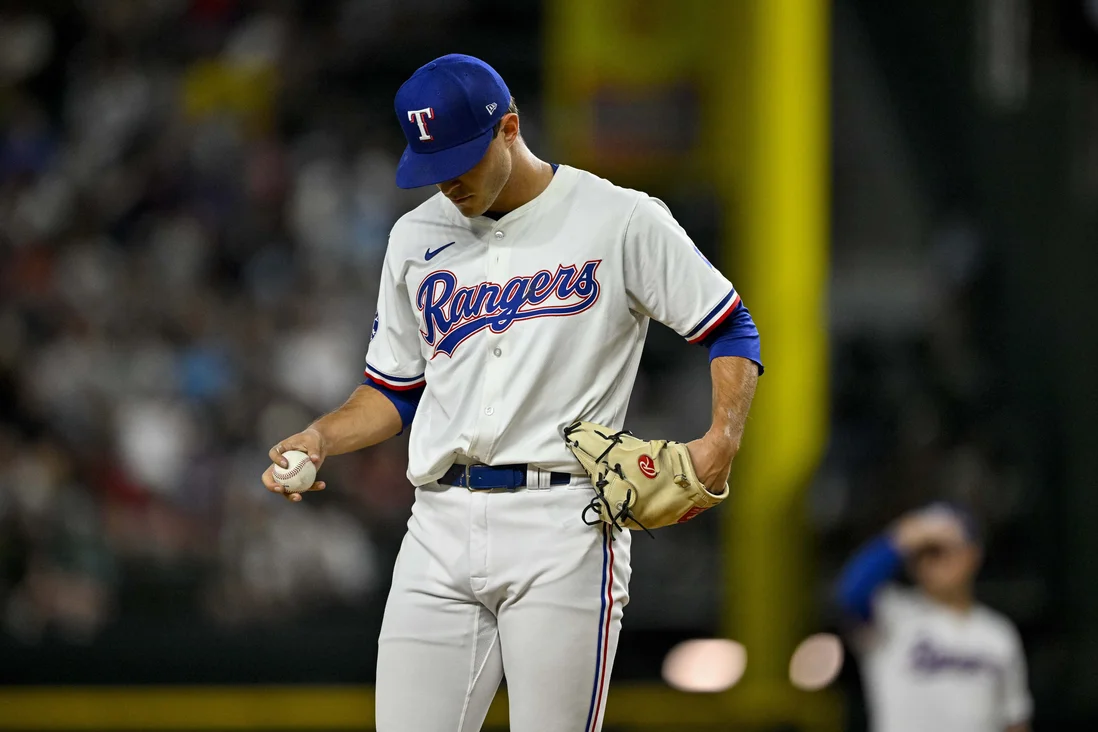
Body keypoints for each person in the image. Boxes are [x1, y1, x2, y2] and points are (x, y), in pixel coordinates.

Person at [261, 54, 762, 732]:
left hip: (564, 523)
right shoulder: (414, 236)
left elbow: (729, 325)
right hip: (437, 524)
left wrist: (720, 440)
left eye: (460, 160)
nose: (447, 183)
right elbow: (392, 391)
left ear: (509, 129)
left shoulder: (618, 218)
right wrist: (320, 438)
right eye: (431, 166)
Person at [835, 504, 1033, 732]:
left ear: (972, 554)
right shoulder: (891, 612)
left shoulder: (997, 633)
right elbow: (850, 594)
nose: (932, 562)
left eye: (941, 551)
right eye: (923, 552)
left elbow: (1014, 720)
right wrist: (901, 539)